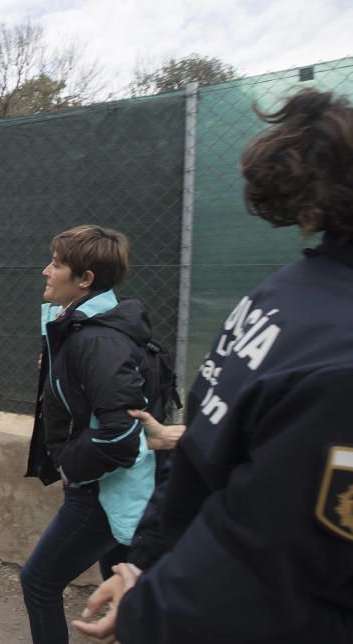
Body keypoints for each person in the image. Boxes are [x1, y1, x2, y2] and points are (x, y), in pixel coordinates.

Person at [73, 88, 353, 643]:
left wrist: (142, 566)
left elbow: (196, 455)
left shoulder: (274, 299)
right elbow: (267, 555)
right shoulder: (338, 356)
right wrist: (147, 603)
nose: (44, 272)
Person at [22, 225, 160, 644]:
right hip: (110, 485)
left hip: (102, 489)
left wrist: (68, 462)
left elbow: (122, 436)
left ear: (85, 280)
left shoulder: (97, 340)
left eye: (57, 264)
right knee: (120, 580)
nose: (46, 271)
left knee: (38, 582)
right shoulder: (76, 324)